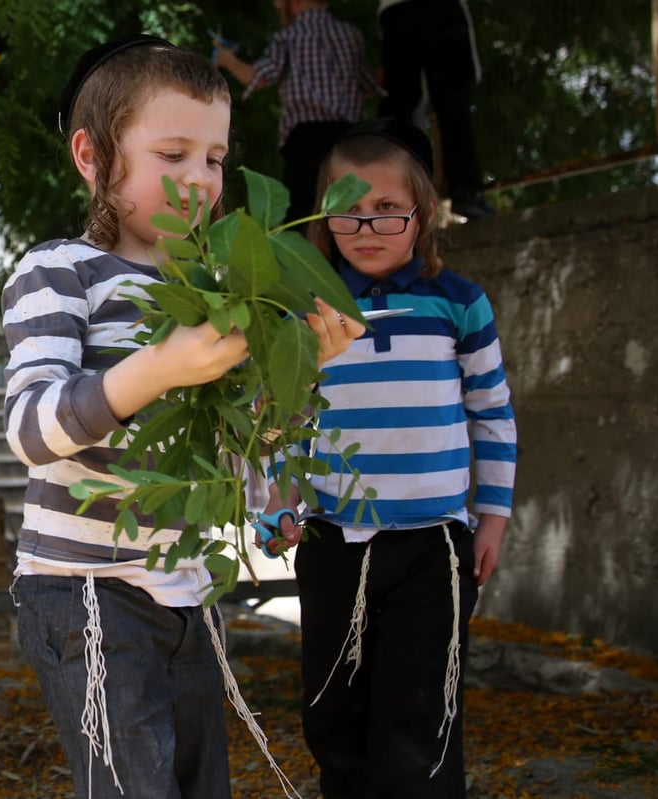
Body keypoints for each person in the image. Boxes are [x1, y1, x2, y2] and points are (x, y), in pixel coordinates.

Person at [4, 34, 362, 799]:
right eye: (173, 155)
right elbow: (31, 429)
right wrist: (157, 368)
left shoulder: (220, 289)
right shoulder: (59, 270)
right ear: (92, 156)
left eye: (214, 159)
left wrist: (298, 375)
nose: (200, 180)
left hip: (187, 591)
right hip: (86, 591)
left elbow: (237, 451)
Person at [256, 117, 516, 797]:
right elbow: (285, 422)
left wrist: (492, 517)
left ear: (422, 212)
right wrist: (276, 502)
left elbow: (492, 413)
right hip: (333, 542)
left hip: (434, 550)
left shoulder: (458, 304)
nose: (367, 227)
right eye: (349, 211)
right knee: (333, 718)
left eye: (386, 210)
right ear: (322, 217)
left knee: (419, 723)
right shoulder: (307, 314)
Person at [213, 0, 380, 228]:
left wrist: (226, 59)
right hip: (348, 137)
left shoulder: (288, 37)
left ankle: (300, 261)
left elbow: (257, 78)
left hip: (304, 139)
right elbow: (370, 85)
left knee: (303, 213)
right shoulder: (350, 35)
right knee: (349, 209)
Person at [377, 0, 496, 219]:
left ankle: (388, 194)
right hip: (439, 11)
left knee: (400, 104)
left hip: (395, 12)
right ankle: (465, 192)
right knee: (453, 103)